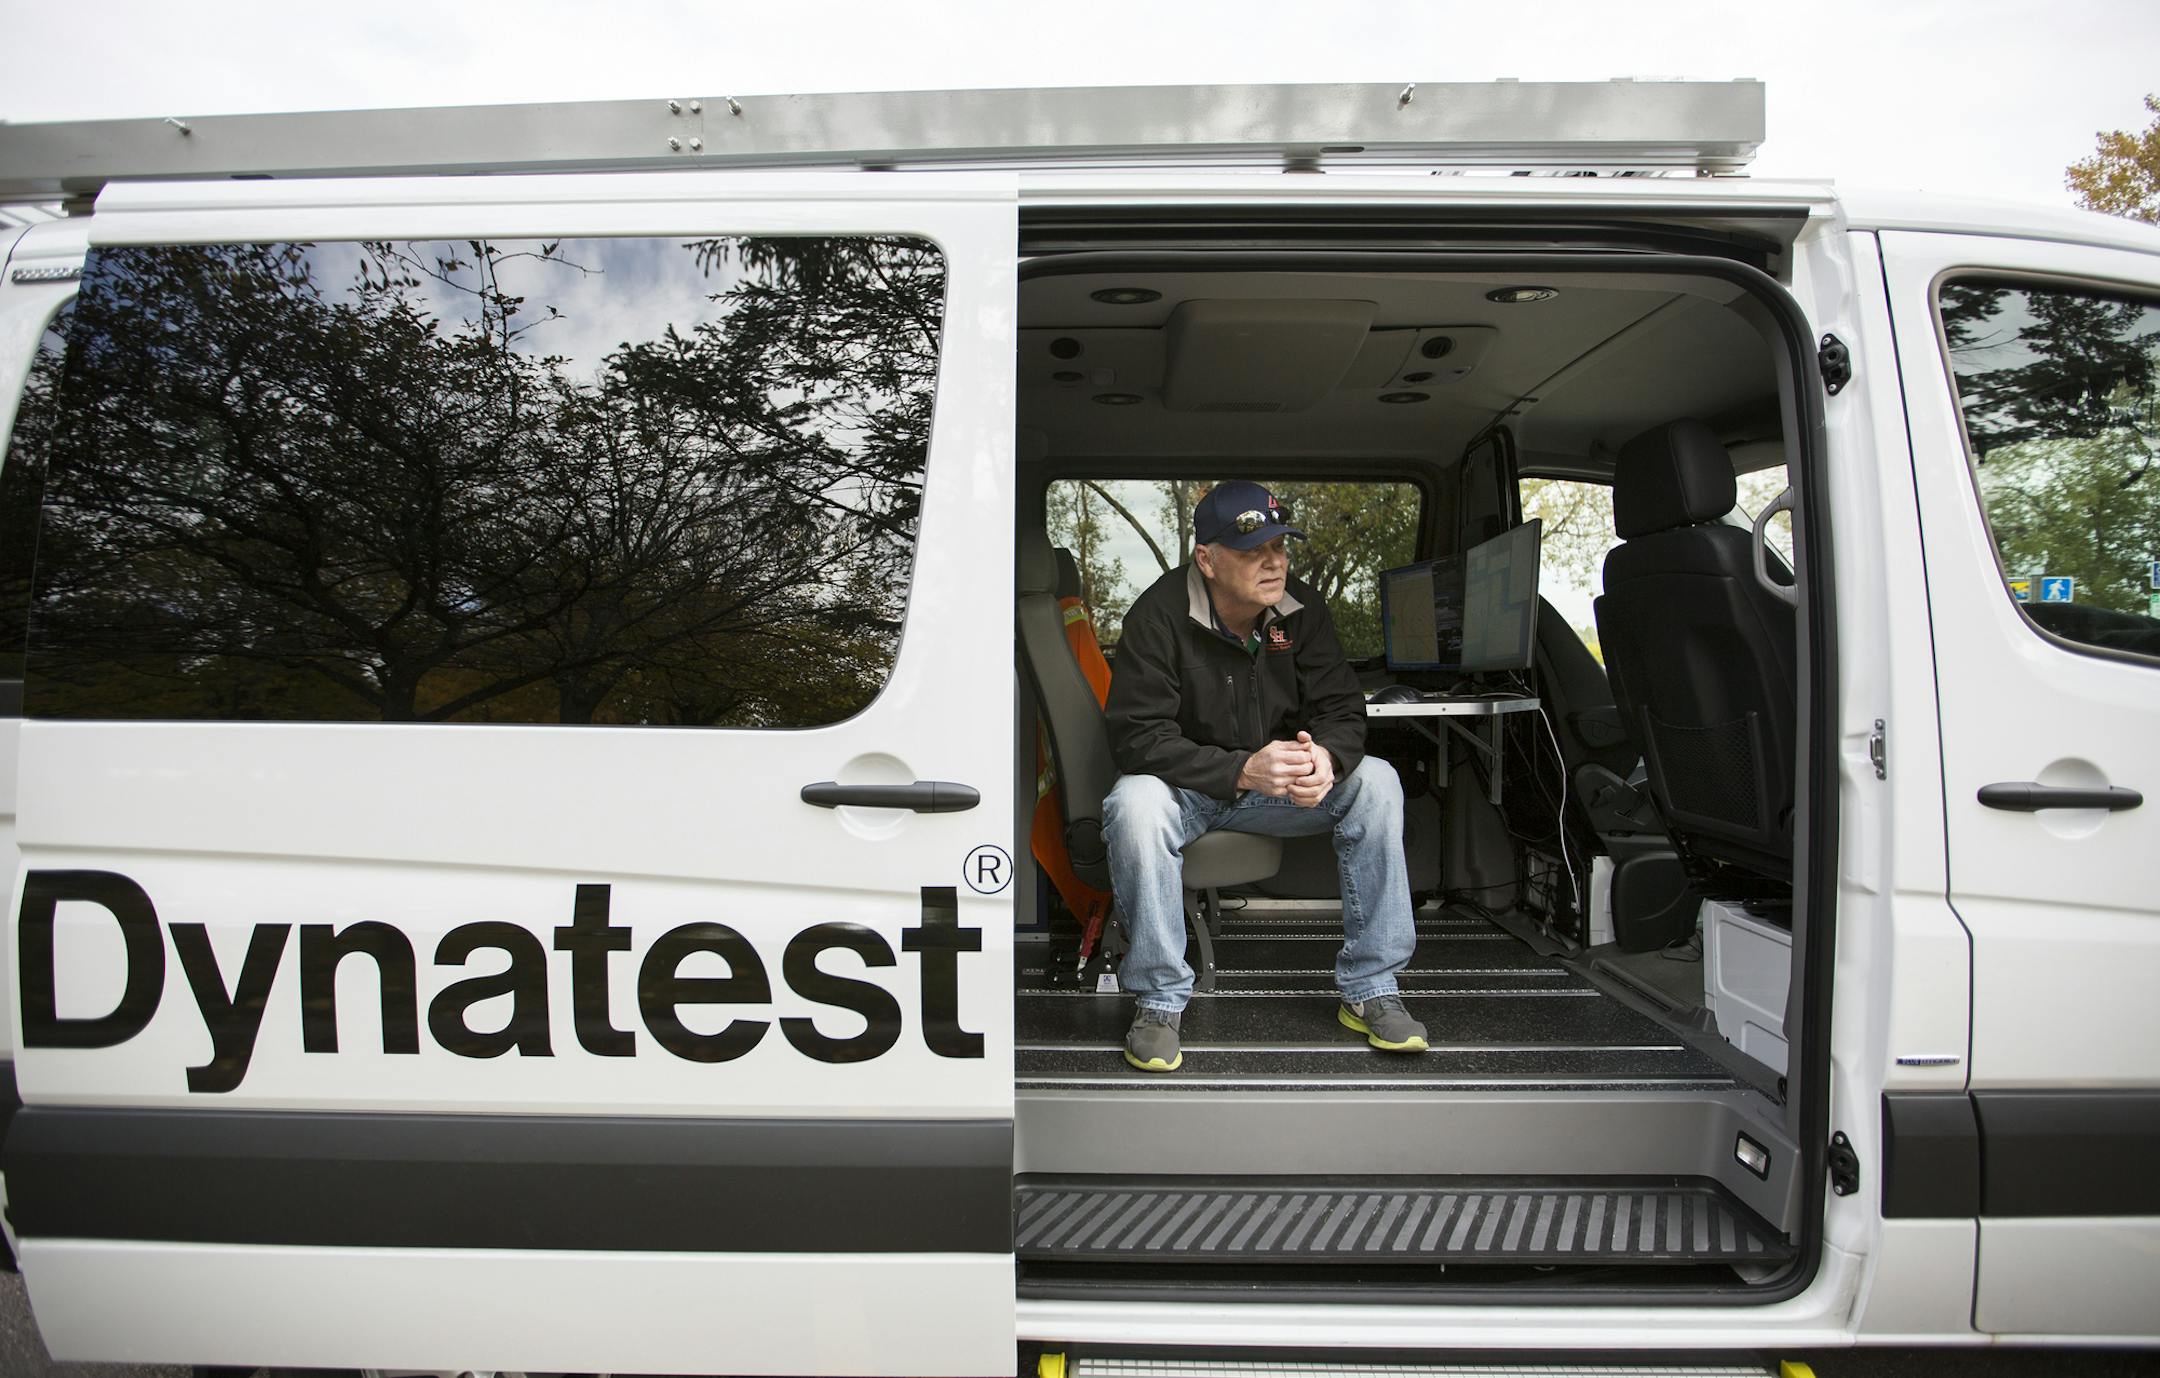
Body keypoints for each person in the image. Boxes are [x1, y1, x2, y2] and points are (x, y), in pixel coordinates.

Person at [1102, 480, 1426, 1073]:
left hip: (1278, 793)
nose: (1273, 561)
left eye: (1280, 545)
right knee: (1134, 801)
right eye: (1252, 549)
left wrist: (1326, 758)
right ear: (1207, 558)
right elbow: (1137, 737)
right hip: (1192, 792)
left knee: (1376, 780)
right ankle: (1158, 999)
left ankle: (1372, 989)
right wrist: (1242, 769)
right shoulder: (1158, 616)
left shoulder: (1302, 609)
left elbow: (1342, 709)